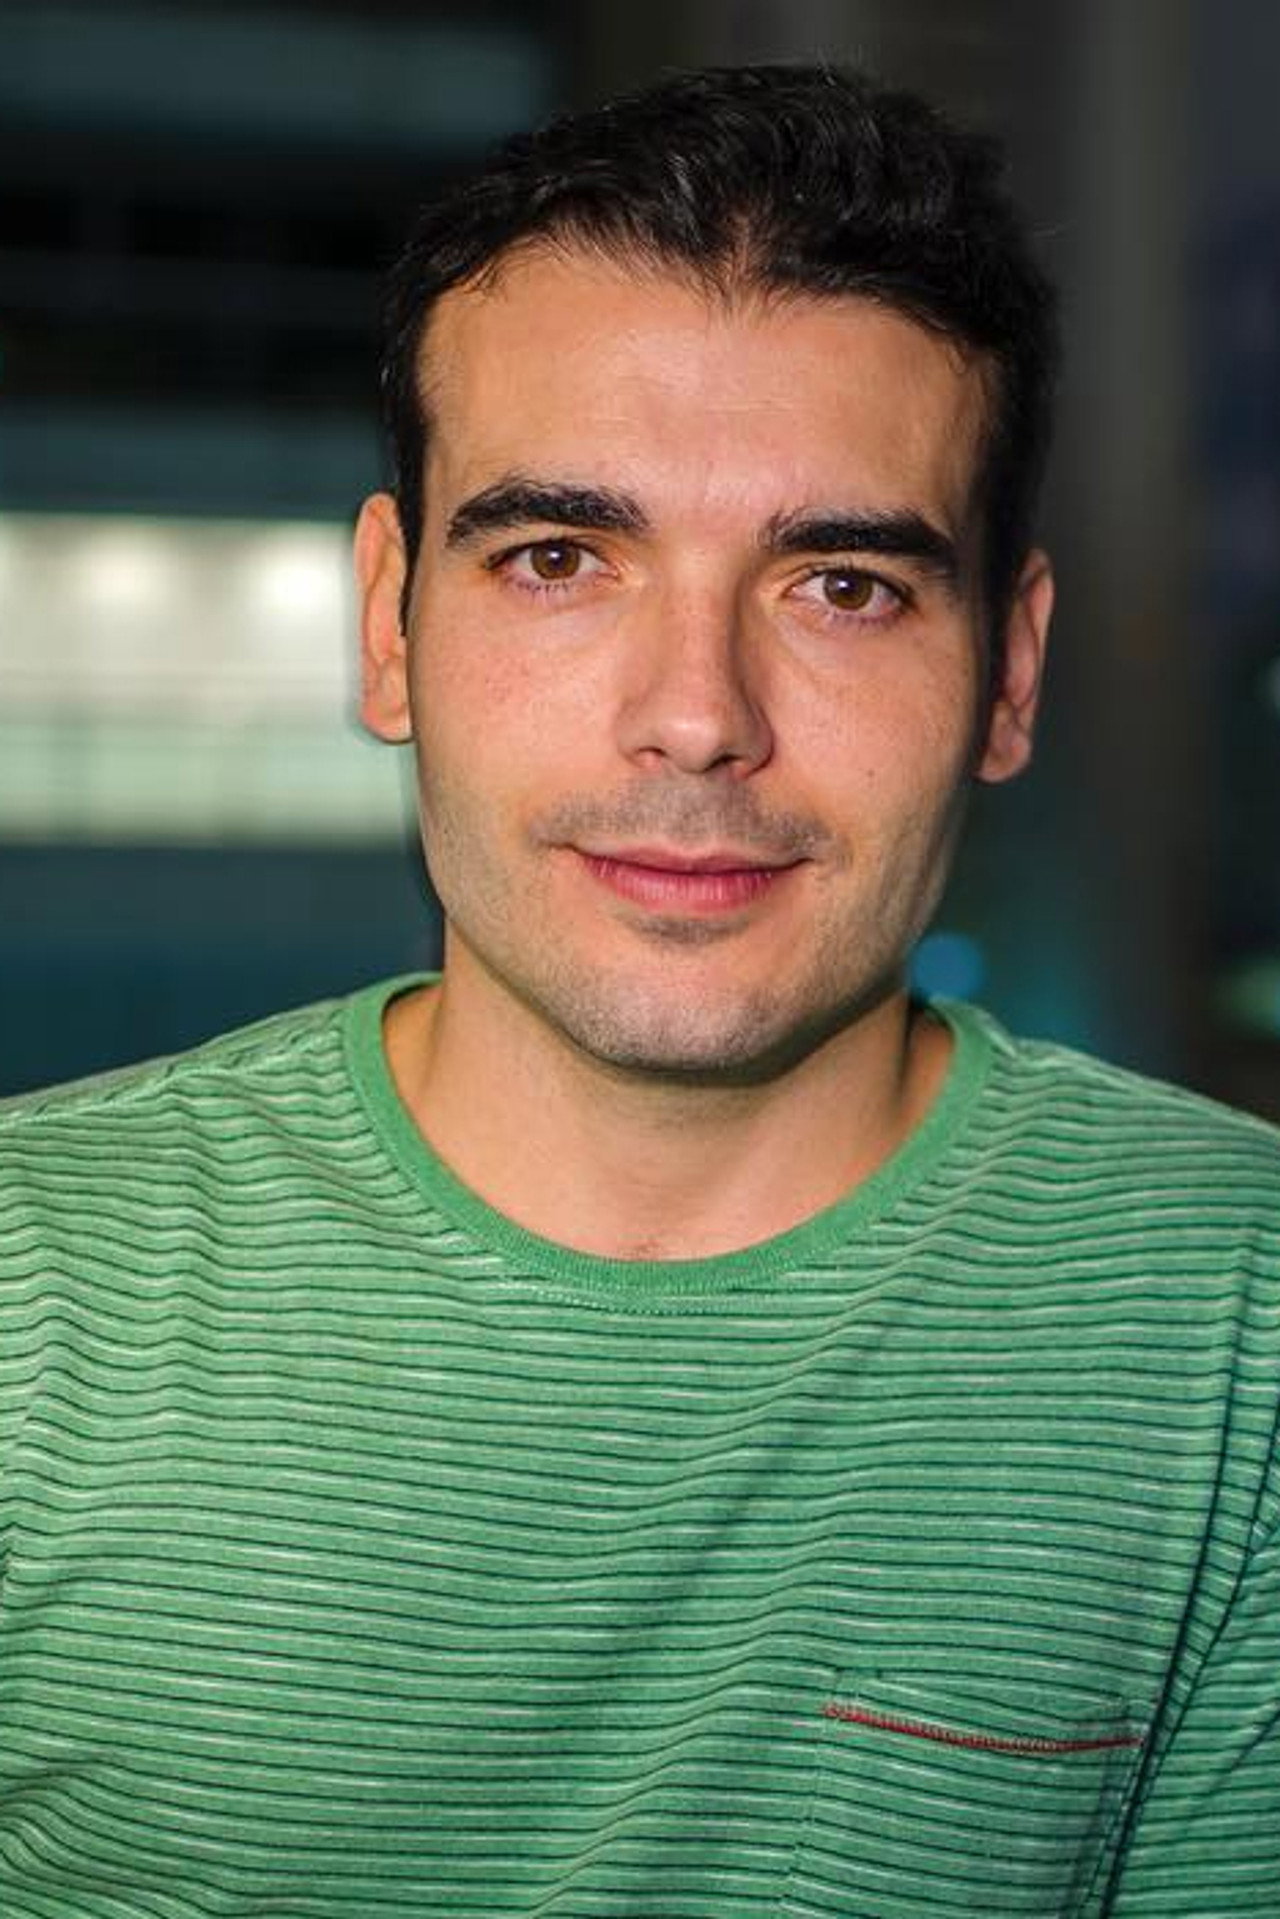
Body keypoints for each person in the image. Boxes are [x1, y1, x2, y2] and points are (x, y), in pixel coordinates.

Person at [1, 62, 1276, 1919]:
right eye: (558, 559)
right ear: (387, 625)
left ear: (1008, 672)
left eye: (844, 586)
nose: (697, 716)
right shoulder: (30, 1285)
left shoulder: (1243, 1315)